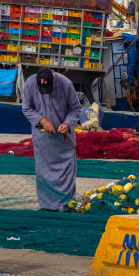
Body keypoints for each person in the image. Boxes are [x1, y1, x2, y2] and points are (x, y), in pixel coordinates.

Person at [22, 67, 82, 211]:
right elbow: (26, 109)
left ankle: (67, 204)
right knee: (43, 172)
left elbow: (76, 109)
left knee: (65, 172)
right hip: (42, 137)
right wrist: (42, 120)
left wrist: (67, 123)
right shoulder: (30, 84)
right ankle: (47, 206)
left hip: (63, 137)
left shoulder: (66, 84)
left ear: (54, 78)